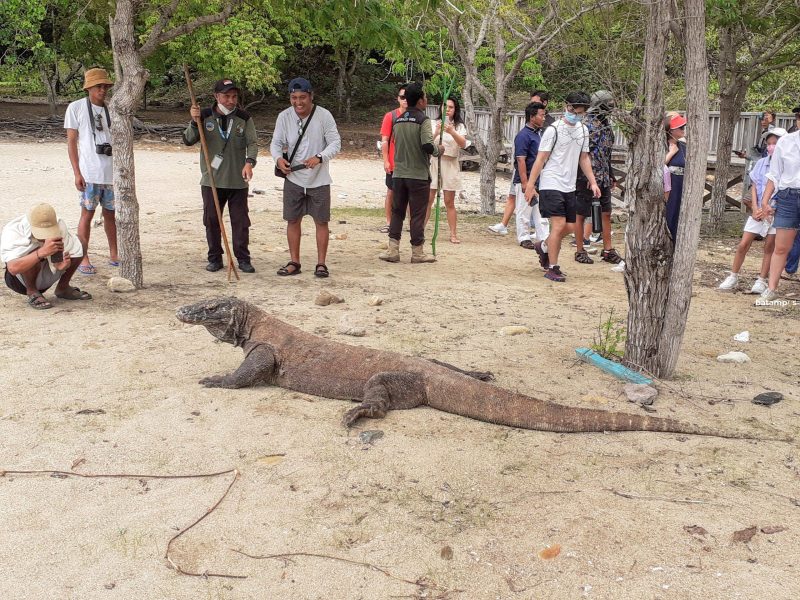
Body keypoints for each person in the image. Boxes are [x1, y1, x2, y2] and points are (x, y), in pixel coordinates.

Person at [183, 78, 258, 273]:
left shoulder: (244, 117)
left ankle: (243, 258)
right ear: (217, 96)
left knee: (240, 222)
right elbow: (188, 140)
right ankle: (215, 258)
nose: (231, 100)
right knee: (211, 220)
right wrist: (194, 121)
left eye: (234, 96)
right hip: (212, 180)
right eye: (226, 96)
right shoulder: (204, 115)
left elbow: (252, 143)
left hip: (237, 181)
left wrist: (249, 163)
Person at [524, 91, 600, 282]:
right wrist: (530, 185)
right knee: (558, 225)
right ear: (567, 107)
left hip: (569, 185)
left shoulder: (583, 130)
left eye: (580, 112)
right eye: (573, 109)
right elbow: (540, 159)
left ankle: (543, 246)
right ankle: (553, 266)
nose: (575, 114)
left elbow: (584, 157)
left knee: (572, 226)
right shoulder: (553, 130)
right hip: (551, 182)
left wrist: (592, 181)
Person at [271, 77, 341, 277]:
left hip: (319, 179)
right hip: (293, 178)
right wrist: (278, 160)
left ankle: (321, 264)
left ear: (311, 96)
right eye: (294, 97)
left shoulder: (324, 116)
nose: (298, 102)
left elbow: (335, 143)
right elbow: (276, 143)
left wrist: (320, 157)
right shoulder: (284, 117)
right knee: (292, 220)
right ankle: (295, 261)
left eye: (302, 97)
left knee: (321, 221)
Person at [718, 128, 788, 294]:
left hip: (775, 213)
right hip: (758, 212)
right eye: (769, 143)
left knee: (769, 247)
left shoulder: (787, 164)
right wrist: (756, 208)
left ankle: (762, 280)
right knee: (743, 244)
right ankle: (733, 275)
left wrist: (771, 209)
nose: (771, 147)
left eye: (775, 143)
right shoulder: (762, 163)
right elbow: (755, 186)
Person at [379, 82, 442, 264]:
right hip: (418, 175)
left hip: (398, 173)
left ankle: (393, 249)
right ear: (421, 100)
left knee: (397, 212)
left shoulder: (398, 120)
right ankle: (417, 252)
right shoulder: (424, 120)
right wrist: (440, 149)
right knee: (417, 214)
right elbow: (427, 145)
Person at [64, 68, 118, 276]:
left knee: (111, 214)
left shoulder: (112, 109)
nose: (102, 90)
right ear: (89, 88)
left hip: (111, 172)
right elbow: (71, 142)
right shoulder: (76, 108)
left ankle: (114, 253)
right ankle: (83, 255)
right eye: (98, 86)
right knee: (87, 214)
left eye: (105, 86)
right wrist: (77, 172)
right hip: (89, 172)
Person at [1, 203, 91, 309]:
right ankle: (32, 291)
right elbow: (13, 268)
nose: (45, 236)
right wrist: (41, 252)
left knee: (80, 243)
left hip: (46, 273)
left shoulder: (59, 224)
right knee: (31, 251)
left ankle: (63, 287)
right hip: (19, 281)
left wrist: (60, 265)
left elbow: (66, 251)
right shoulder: (13, 231)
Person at [573, 90, 622, 265]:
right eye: (608, 104)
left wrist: (611, 174)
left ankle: (608, 250)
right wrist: (587, 177)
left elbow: (606, 154)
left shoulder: (606, 125)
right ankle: (580, 249)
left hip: (603, 177)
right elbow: (582, 154)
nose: (611, 108)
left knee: (606, 213)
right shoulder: (586, 125)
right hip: (586, 178)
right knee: (581, 214)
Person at [757, 129, 800, 303]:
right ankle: (772, 288)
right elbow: (774, 175)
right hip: (788, 196)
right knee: (781, 246)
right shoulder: (786, 141)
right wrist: (765, 201)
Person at [426, 96, 470, 243]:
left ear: (455, 109)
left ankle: (453, 233)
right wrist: (437, 132)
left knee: (449, 201)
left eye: (451, 107)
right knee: (429, 199)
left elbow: (463, 144)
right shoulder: (433, 123)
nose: (447, 110)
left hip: (451, 163)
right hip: (434, 162)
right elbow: (427, 143)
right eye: (445, 106)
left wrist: (452, 131)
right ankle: (420, 229)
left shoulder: (459, 126)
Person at [504, 102, 548, 250]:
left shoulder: (538, 134)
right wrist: (525, 182)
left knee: (540, 210)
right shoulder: (523, 135)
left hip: (538, 179)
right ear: (532, 116)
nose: (543, 118)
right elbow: (521, 160)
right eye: (541, 115)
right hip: (526, 179)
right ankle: (524, 237)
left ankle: (544, 237)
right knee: (524, 209)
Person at [379, 85, 408, 233]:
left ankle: (409, 223)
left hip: (410, 163)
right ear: (398, 99)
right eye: (402, 97)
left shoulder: (416, 116)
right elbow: (384, 140)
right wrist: (386, 160)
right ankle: (389, 222)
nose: (405, 100)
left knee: (410, 193)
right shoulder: (391, 116)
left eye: (408, 97)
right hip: (393, 162)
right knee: (391, 191)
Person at [664, 114, 687, 242]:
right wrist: (671, 153)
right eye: (680, 127)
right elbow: (658, 166)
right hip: (668, 186)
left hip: (682, 185)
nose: (683, 129)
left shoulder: (684, 147)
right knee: (670, 214)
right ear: (671, 130)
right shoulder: (661, 145)